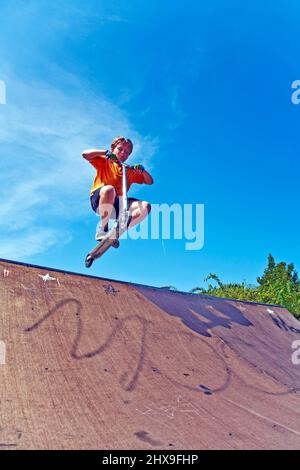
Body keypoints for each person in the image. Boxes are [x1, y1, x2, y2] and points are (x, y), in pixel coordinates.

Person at [82, 136, 153, 241]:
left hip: (119, 204)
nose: (123, 153)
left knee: (145, 206)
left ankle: (117, 231)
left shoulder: (129, 170)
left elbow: (149, 181)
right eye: (120, 149)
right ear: (113, 149)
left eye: (127, 152)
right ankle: (103, 229)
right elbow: (85, 154)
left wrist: (142, 171)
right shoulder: (105, 161)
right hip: (101, 199)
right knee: (109, 189)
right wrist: (105, 153)